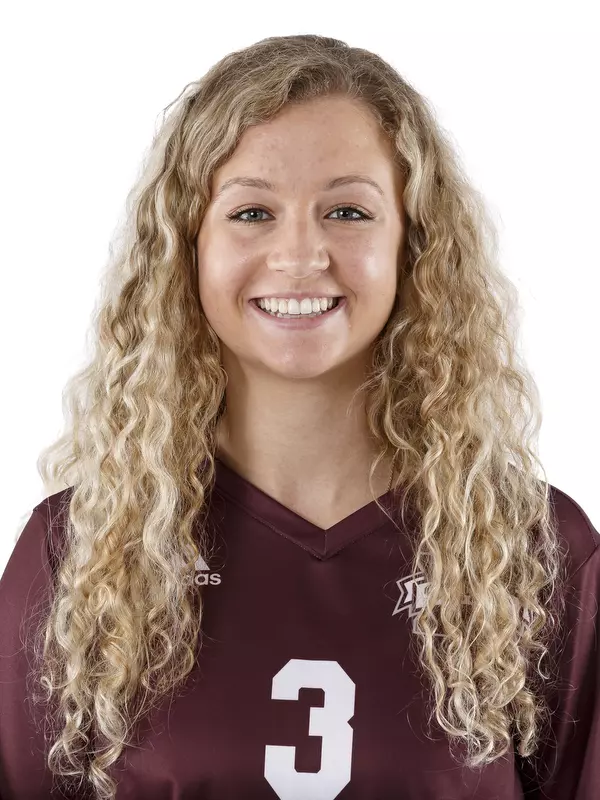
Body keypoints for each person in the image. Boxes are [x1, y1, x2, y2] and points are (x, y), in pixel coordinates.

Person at [1, 33, 598, 800]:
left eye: (347, 210)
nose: (300, 254)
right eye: (252, 212)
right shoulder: (78, 553)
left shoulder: (535, 555)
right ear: (188, 250)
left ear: (414, 244)